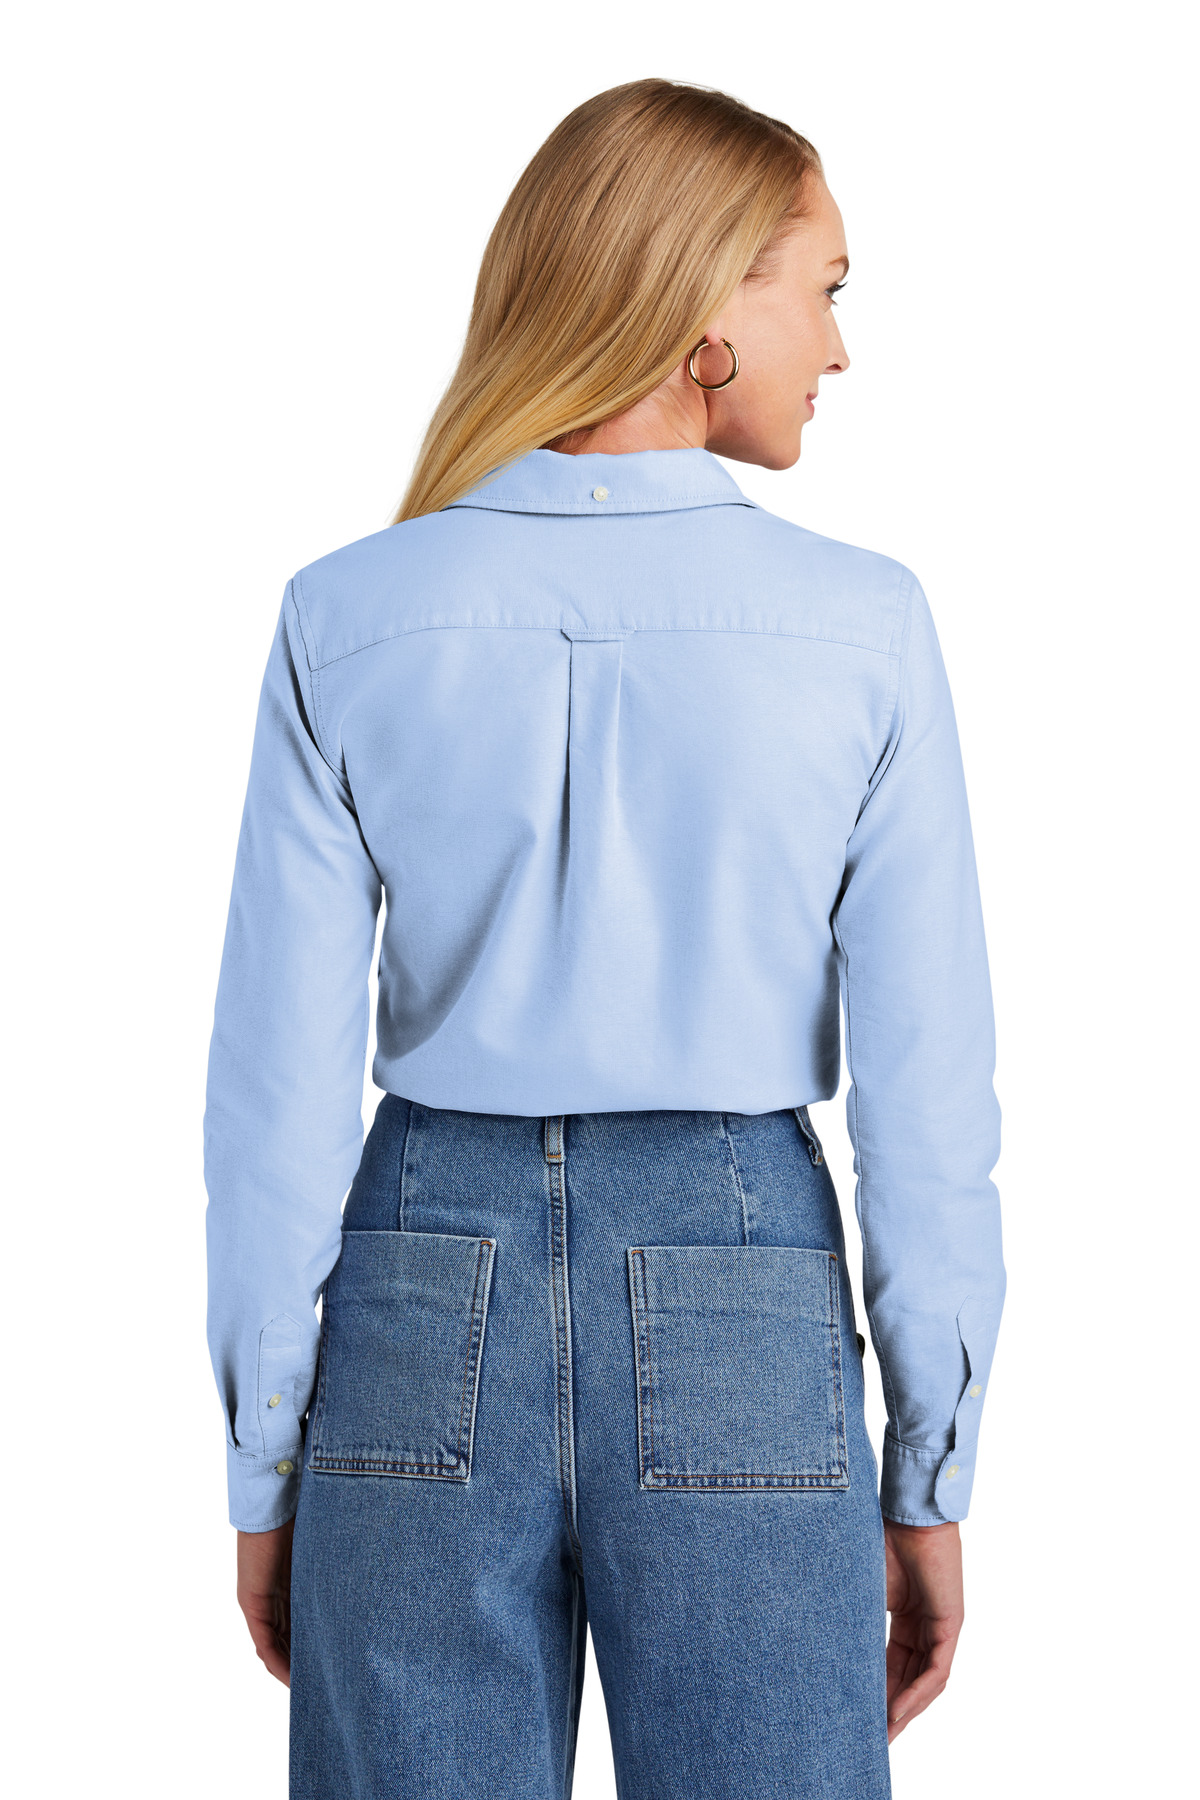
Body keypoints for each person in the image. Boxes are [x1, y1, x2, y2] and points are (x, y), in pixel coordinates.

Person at [205, 77, 1004, 1800]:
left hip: (420, 1281)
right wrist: (931, 1473)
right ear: (706, 310)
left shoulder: (348, 613)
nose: (841, 349)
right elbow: (931, 1111)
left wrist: (267, 1466)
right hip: (741, 1281)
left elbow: (272, 1107)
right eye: (826, 291)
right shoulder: (863, 627)